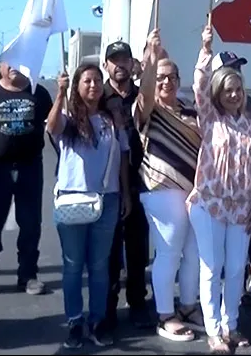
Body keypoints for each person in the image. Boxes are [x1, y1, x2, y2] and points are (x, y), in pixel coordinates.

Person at [188, 19, 251, 353]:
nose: (234, 95)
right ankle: (214, 331)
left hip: (241, 210)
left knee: (236, 268)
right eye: (228, 90)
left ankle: (231, 324)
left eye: (238, 90)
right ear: (219, 93)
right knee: (212, 267)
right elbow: (199, 86)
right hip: (209, 204)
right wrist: (206, 50)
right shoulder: (210, 120)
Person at [47, 63, 132, 349]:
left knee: (99, 267)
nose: (93, 86)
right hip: (72, 199)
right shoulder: (68, 118)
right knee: (72, 267)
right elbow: (51, 127)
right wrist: (59, 94)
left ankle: (97, 321)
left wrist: (124, 195)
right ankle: (74, 322)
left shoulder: (111, 121)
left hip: (106, 201)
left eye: (97, 81)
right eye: (87, 81)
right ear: (77, 86)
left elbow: (121, 156)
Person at [135, 29, 205, 342]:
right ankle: (165, 314)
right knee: (169, 253)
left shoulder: (191, 111)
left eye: (171, 77)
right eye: (161, 78)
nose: (167, 82)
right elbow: (146, 92)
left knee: (193, 253)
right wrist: (152, 58)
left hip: (193, 193)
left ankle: (189, 306)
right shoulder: (146, 110)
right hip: (161, 191)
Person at [0, 60, 54, 297]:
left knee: (30, 224)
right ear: (0, 65)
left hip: (30, 168)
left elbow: (56, 124)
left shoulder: (39, 91)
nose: (16, 65)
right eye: (10, 60)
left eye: (21, 59)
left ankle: (28, 276)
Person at [100, 40, 153, 331]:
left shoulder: (141, 96)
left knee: (137, 250)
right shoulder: (98, 96)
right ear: (106, 65)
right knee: (107, 252)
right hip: (107, 184)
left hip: (139, 181)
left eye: (125, 59)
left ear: (133, 64)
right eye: (114, 60)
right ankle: (107, 306)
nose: (120, 65)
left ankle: (137, 302)